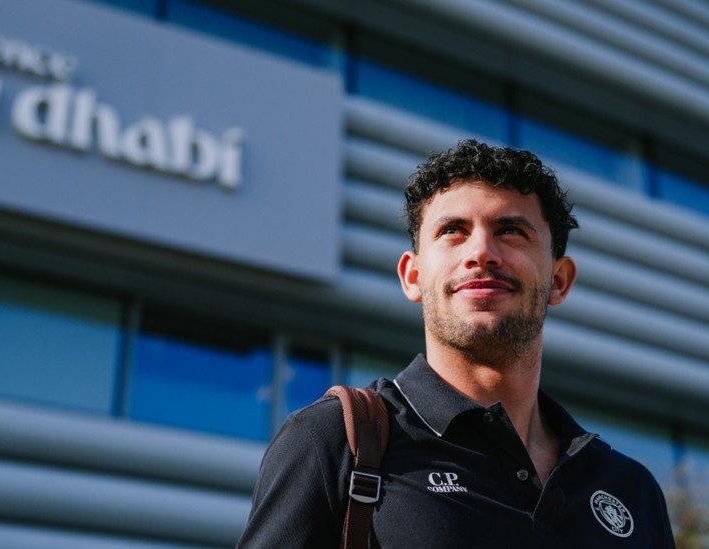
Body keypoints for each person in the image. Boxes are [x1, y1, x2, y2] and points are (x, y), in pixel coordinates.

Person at [237, 140, 675, 548]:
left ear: (558, 280)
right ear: (412, 276)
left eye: (510, 231)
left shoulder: (630, 488)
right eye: (453, 230)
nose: (481, 251)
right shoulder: (333, 440)